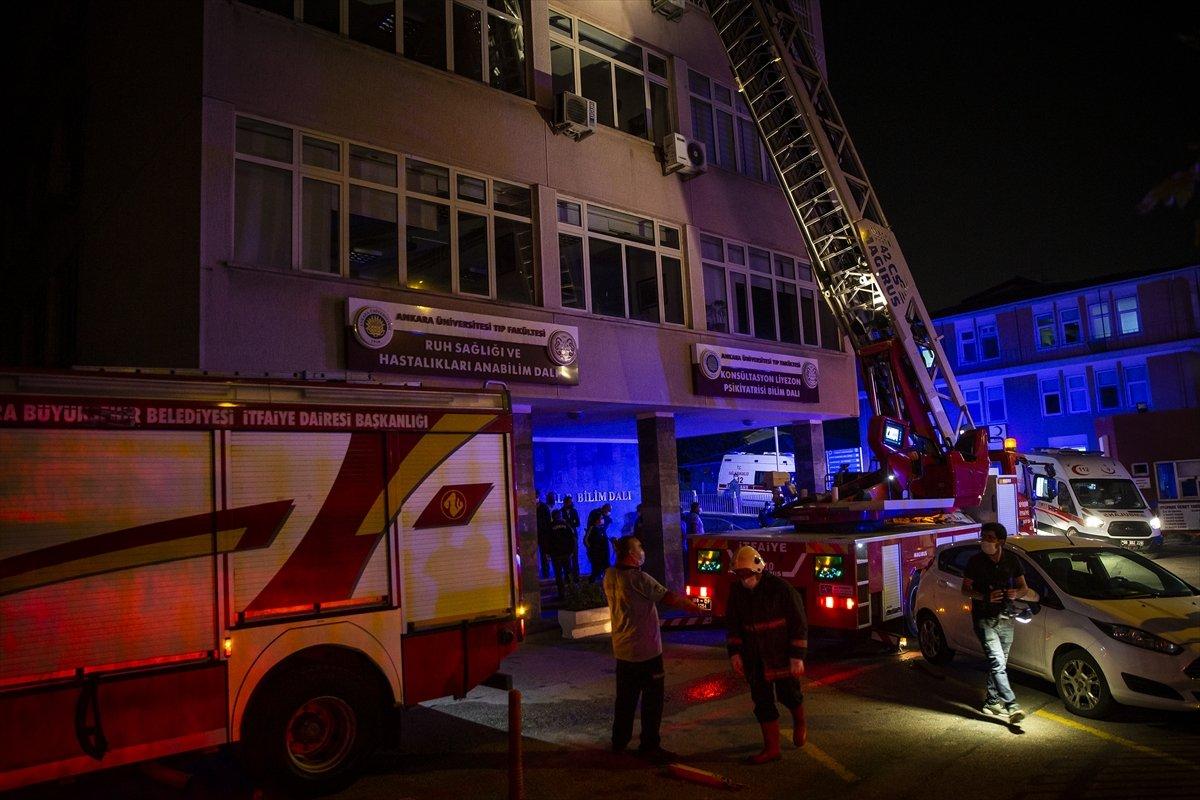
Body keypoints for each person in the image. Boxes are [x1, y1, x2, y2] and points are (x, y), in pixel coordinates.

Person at [604, 535, 707, 763]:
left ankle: (618, 742)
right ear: (631, 554)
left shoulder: (610, 575)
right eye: (639, 546)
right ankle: (649, 745)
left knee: (625, 700)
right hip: (646, 651)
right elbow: (669, 598)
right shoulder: (639, 579)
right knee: (652, 701)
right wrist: (697, 608)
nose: (643, 549)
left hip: (622, 651)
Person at [725, 545, 808, 764]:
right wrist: (734, 653)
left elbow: (799, 623)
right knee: (762, 701)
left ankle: (800, 722)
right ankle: (772, 749)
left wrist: (797, 656)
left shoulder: (781, 589)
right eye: (739, 574)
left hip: (780, 654)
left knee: (789, 695)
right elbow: (733, 625)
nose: (744, 579)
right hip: (755, 658)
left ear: (758, 569)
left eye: (747, 574)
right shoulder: (737, 593)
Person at [961, 522, 1033, 724]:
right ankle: (1012, 706)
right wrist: (985, 597)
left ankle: (992, 702)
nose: (985, 541)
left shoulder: (1011, 560)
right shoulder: (975, 561)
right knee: (997, 662)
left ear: (1001, 541)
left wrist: (1016, 593)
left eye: (990, 538)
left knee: (1000, 663)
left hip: (1006, 617)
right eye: (983, 537)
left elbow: (1024, 588)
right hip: (985, 619)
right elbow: (965, 589)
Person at [546, 509, 575, 600]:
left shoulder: (550, 526)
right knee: (568, 573)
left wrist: (548, 553)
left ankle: (561, 594)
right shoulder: (566, 525)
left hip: (556, 555)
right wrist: (571, 551)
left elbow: (547, 541)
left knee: (558, 575)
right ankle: (571, 592)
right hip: (566, 553)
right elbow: (572, 539)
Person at [585, 503, 613, 581]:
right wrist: (590, 549)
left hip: (602, 548)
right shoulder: (593, 527)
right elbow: (586, 540)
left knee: (605, 564)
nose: (602, 519)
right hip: (595, 549)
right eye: (601, 518)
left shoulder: (602, 530)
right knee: (596, 567)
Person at [560, 495, 581, 578]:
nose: (571, 503)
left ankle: (576, 576)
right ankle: (568, 576)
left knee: (575, 556)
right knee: (566, 558)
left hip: (573, 536)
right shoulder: (561, 511)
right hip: (565, 538)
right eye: (569, 502)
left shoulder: (574, 511)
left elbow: (578, 523)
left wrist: (569, 525)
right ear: (565, 503)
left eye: (571, 502)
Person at [536, 491, 555, 578]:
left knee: (544, 556)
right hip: (533, 536)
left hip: (543, 535)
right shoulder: (528, 507)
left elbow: (548, 522)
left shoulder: (544, 507)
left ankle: (546, 574)